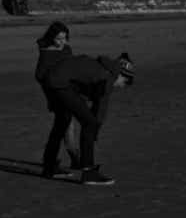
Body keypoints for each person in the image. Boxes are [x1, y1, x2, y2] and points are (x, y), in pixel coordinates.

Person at [39, 47, 135, 185]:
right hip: (60, 83)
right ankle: (89, 172)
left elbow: (87, 92)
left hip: (54, 80)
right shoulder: (107, 78)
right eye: (126, 82)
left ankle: (49, 167)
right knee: (89, 123)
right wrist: (94, 132)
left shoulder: (103, 68)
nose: (122, 86)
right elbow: (100, 109)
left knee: (63, 121)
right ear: (121, 74)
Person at [34, 22, 84, 179]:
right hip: (57, 97)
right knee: (64, 127)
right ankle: (61, 162)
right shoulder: (46, 54)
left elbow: (72, 69)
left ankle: (72, 160)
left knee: (67, 126)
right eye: (58, 39)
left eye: (64, 38)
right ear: (51, 37)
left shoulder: (67, 49)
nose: (62, 42)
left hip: (71, 93)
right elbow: (39, 76)